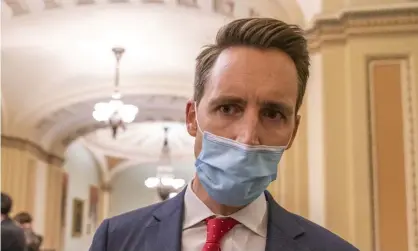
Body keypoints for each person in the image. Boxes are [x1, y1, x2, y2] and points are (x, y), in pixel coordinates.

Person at [89, 18, 359, 251]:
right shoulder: (116, 240)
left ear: (293, 131)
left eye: (273, 114)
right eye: (228, 108)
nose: (248, 137)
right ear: (192, 118)